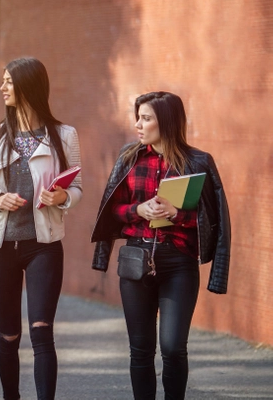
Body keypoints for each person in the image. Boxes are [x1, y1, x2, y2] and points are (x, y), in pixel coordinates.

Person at [90, 91, 231, 400]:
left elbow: (212, 218)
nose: (138, 125)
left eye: (146, 118)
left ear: (165, 122)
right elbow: (110, 211)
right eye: (138, 117)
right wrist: (137, 210)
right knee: (140, 350)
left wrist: (176, 214)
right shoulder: (129, 157)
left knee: (173, 347)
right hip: (135, 261)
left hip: (178, 264)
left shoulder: (198, 161)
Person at [0, 57, 82, 400]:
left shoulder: (64, 135)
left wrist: (62, 196)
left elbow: (76, 189)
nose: (2, 87)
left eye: (8, 81)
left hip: (43, 246)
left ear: (28, 86)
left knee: (42, 331)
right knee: (8, 336)